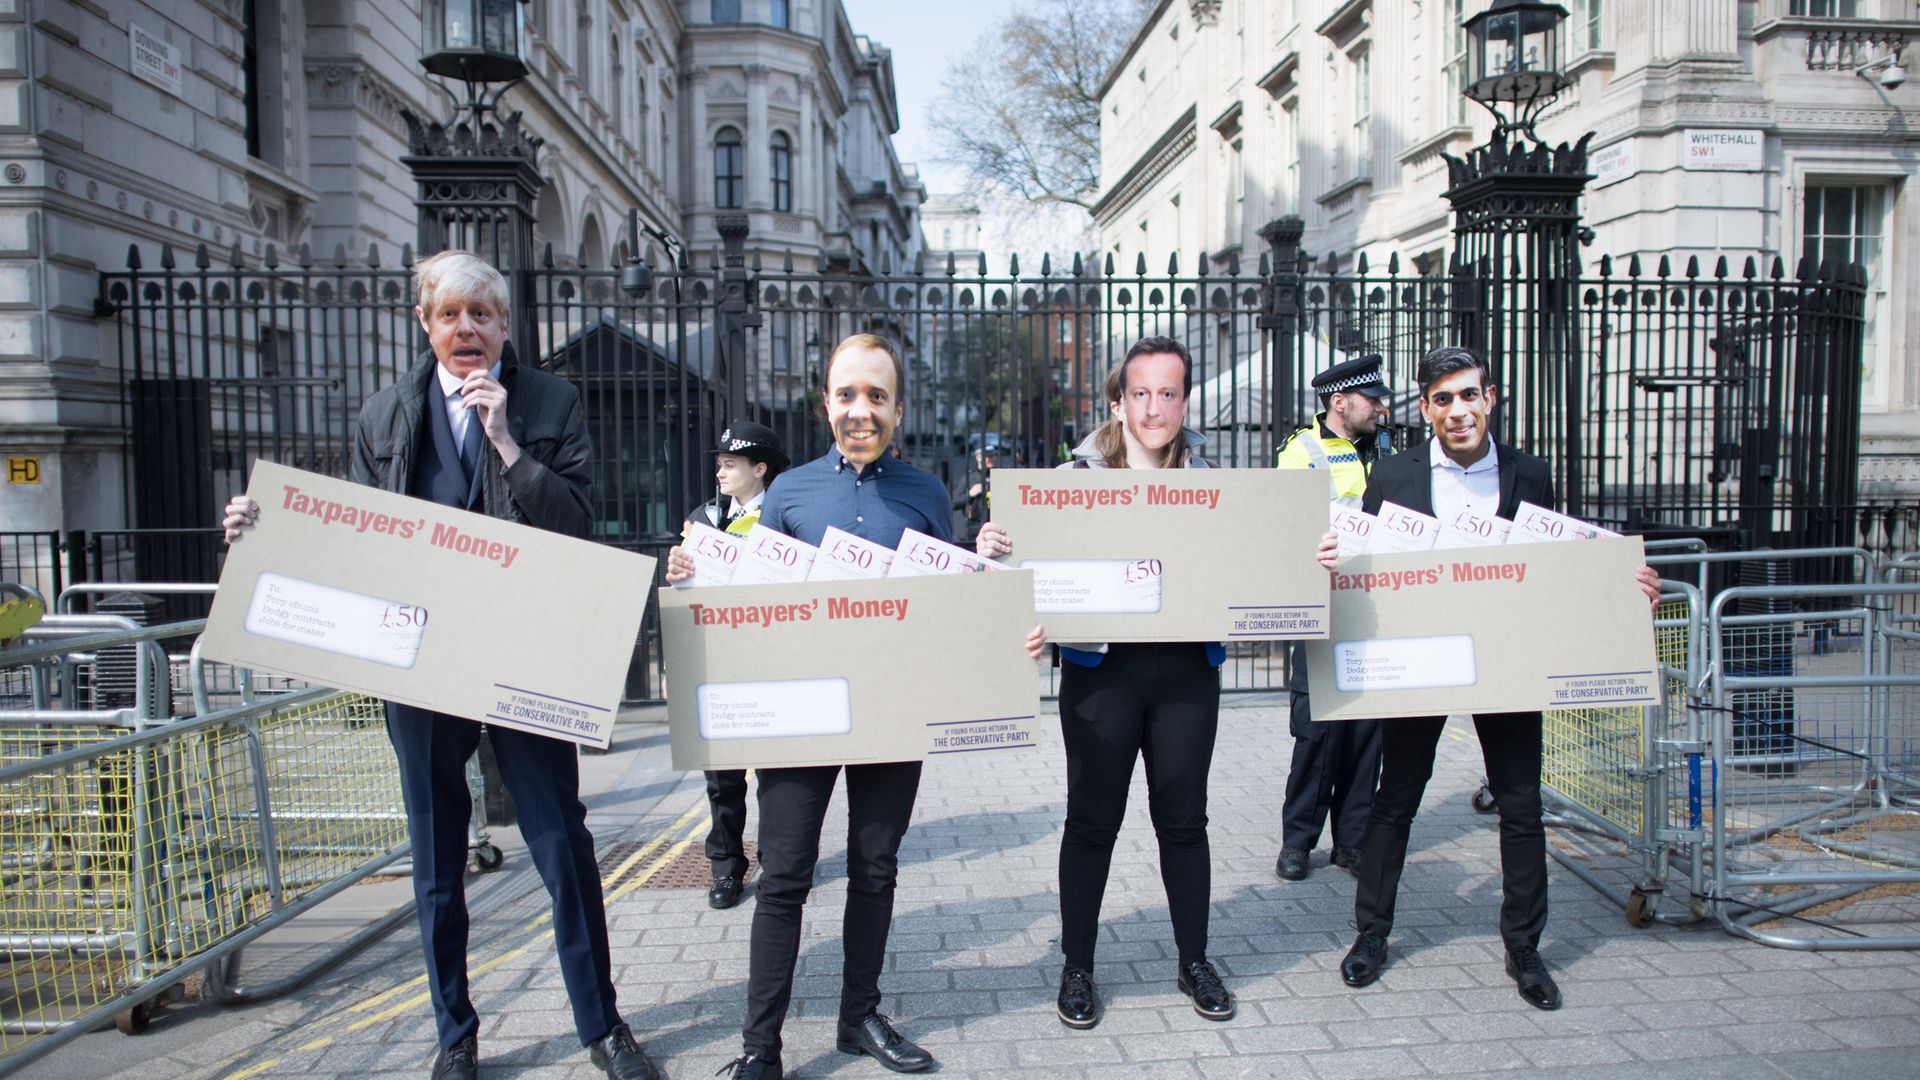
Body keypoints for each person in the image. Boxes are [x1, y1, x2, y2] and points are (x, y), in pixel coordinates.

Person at [222, 251, 665, 1080]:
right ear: (427, 324)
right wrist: (262, 530)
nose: (468, 329)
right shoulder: (386, 413)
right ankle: (454, 1035)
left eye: (483, 315)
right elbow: (353, 536)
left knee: (560, 842)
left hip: (521, 651)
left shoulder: (549, 402)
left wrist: (505, 443)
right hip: (420, 663)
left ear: (505, 326)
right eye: (451, 314)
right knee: (435, 859)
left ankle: (602, 1027)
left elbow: (575, 522)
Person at [666, 333, 1046, 1079]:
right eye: (847, 395)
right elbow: (750, 601)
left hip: (893, 711)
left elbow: (962, 604)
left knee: (875, 866)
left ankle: (858, 1018)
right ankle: (760, 1048)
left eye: (876, 395)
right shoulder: (790, 493)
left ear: (898, 408)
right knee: (784, 876)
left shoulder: (929, 494)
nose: (860, 410)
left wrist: (1011, 635)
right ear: (826, 405)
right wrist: (689, 577)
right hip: (801, 714)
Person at [981, 336, 1337, 1033]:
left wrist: (1313, 554)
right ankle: (1077, 966)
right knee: (1091, 822)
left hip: (1184, 674)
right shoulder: (1070, 482)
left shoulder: (1215, 483)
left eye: (1168, 393)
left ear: (1184, 401)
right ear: (1118, 402)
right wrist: (997, 550)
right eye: (1139, 393)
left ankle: (1194, 960)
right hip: (1099, 672)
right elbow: (1020, 575)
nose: (1154, 407)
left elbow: (1265, 560)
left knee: (1183, 821)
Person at [1337, 344, 1661, 1012]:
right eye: (1444, 398)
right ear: (1425, 409)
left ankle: (1524, 946)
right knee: (1395, 796)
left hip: (1506, 659)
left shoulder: (1528, 474)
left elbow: (1558, 566)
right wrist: (1330, 563)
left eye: (1470, 394)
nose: (1460, 410)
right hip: (1423, 659)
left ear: (1491, 397)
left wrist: (1625, 589)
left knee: (1520, 802)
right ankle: (1371, 933)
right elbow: (1365, 569)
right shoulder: (1393, 476)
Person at [1273, 354, 1392, 882]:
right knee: (1319, 729)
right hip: (1322, 605)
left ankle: (1353, 841)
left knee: (1368, 731)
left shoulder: (1389, 452)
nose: (1382, 408)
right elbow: (1285, 526)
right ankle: (1298, 841)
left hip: (1380, 605)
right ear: (1340, 402)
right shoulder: (1303, 450)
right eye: (1373, 400)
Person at [683, 421, 790, 911]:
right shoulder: (702, 519)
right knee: (721, 775)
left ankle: (776, 859)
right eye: (719, 464)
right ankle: (726, 866)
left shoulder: (784, 518)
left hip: (770, 657)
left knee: (773, 772)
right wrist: (677, 568)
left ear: (759, 469)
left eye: (730, 464)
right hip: (716, 658)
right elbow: (684, 586)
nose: (719, 472)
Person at [951, 446, 995, 545]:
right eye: (989, 456)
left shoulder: (999, 475)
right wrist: (971, 494)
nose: (992, 459)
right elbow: (954, 503)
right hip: (975, 526)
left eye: (993, 456)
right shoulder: (970, 477)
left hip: (995, 524)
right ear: (979, 457)